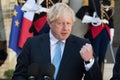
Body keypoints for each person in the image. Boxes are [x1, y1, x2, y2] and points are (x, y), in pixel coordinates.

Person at [12, 3, 102, 80]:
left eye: (68, 23)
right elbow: (18, 75)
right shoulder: (32, 44)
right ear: (50, 23)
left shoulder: (82, 45)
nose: (65, 28)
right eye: (60, 23)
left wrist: (89, 61)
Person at [76, 0, 115, 78]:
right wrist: (92, 19)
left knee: (102, 56)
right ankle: (92, 76)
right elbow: (79, 14)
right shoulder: (90, 1)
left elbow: (110, 19)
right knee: (94, 55)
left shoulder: (109, 1)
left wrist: (111, 34)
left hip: (105, 31)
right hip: (96, 30)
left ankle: (100, 76)